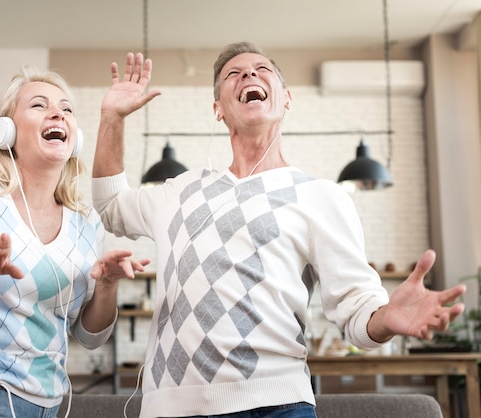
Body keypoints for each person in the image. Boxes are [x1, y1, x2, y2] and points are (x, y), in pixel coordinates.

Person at [91, 43, 467, 417]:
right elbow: (110, 206)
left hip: (275, 406)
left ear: (286, 98)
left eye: (261, 69)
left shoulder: (321, 197)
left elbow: (356, 308)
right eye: (233, 74)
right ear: (218, 109)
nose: (249, 75)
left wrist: (387, 318)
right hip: (169, 409)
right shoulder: (179, 191)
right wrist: (112, 118)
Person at [0, 65, 150, 417]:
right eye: (39, 105)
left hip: (45, 406)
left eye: (66, 109)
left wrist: (108, 285)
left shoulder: (85, 223)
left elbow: (89, 337)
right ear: (5, 131)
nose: (57, 113)